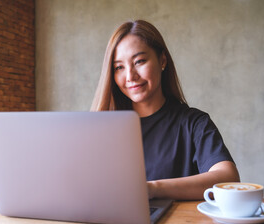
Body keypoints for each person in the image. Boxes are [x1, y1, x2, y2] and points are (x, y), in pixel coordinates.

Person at [91, 20, 240, 200]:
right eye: (119, 67)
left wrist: (153, 189)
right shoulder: (103, 128)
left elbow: (228, 179)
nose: (130, 76)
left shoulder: (194, 123)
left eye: (139, 61)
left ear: (162, 60)